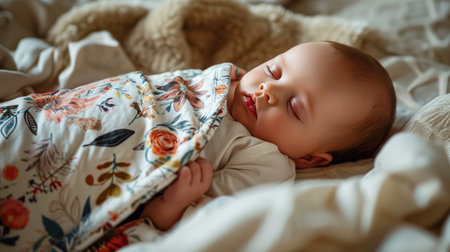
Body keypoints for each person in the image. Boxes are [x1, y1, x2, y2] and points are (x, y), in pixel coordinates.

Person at [139, 41, 397, 231]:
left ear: (310, 159)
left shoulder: (266, 162)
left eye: (294, 108)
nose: (269, 88)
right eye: (273, 71)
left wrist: (172, 209)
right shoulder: (223, 79)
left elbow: (218, 219)